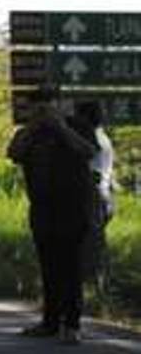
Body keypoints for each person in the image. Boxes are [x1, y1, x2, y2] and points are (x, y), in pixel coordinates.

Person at [7, 87, 98, 344]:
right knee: (49, 267)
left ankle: (72, 324)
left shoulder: (77, 126)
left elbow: (89, 151)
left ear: (59, 105)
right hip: (43, 209)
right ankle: (50, 322)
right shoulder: (29, 133)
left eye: (48, 105)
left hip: (74, 208)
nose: (43, 111)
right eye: (38, 106)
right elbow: (13, 153)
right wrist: (34, 127)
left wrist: (60, 127)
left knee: (71, 267)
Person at [75, 101, 115, 286]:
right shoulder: (102, 137)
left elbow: (92, 172)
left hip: (94, 195)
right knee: (95, 242)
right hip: (103, 195)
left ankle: (92, 283)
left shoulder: (92, 140)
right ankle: (96, 283)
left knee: (90, 243)